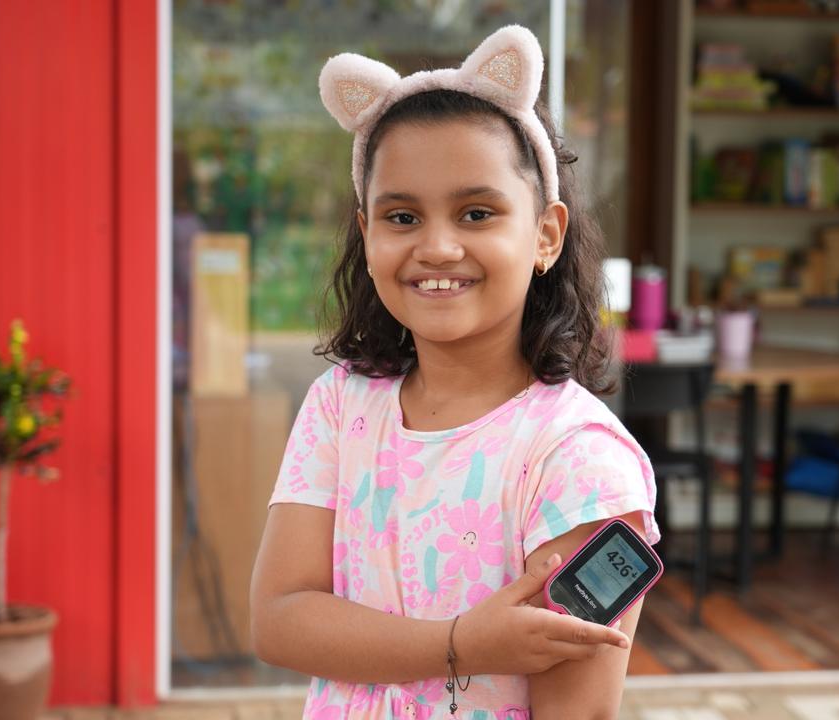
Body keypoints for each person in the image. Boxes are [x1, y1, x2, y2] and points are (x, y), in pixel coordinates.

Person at [250, 25, 659, 719]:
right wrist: (461, 644)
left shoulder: (577, 460)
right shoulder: (340, 407)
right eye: (402, 215)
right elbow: (278, 620)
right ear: (368, 233)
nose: (437, 247)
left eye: (477, 212)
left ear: (545, 235)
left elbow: (578, 711)